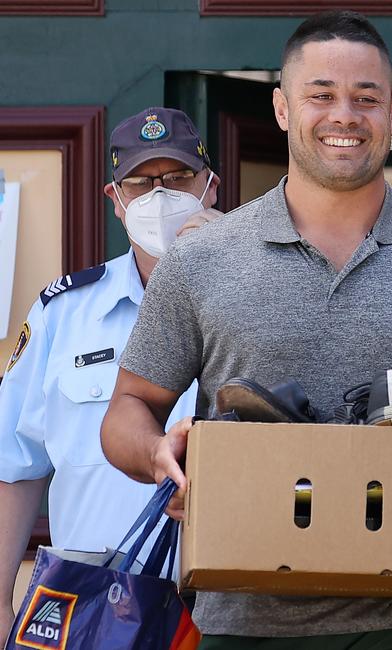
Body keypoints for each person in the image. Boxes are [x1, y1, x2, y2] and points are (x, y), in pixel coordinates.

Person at [101, 12, 392, 650]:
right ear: (282, 108)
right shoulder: (202, 260)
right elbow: (128, 409)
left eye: (366, 98)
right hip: (244, 619)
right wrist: (156, 456)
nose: (345, 115)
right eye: (321, 95)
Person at [0, 106, 220, 647]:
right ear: (115, 201)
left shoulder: (262, 298)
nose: (160, 195)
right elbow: (15, 463)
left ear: (210, 188)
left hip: (231, 606)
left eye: (177, 178)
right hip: (94, 599)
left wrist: (228, 266)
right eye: (142, 183)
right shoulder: (64, 311)